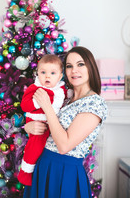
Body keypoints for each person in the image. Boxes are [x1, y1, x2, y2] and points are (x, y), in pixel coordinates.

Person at [23, 46, 108, 198]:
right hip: (43, 165)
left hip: (64, 172)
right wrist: (28, 127)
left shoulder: (95, 103)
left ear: (90, 67)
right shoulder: (65, 98)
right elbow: (46, 125)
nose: (74, 70)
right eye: (69, 66)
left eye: (80, 64)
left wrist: (47, 106)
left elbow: (64, 145)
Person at [18, 54, 67, 186]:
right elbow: (24, 105)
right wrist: (38, 102)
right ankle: (26, 172)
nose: (47, 76)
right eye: (43, 72)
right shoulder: (35, 88)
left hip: (53, 126)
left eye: (52, 73)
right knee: (34, 147)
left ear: (60, 76)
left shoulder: (61, 90)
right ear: (37, 73)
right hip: (38, 122)